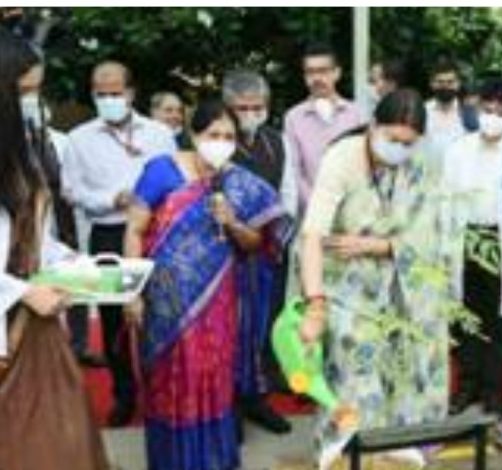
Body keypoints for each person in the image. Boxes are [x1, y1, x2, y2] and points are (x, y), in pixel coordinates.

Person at [124, 99, 291, 470]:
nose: (221, 141)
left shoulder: (238, 182)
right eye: (213, 134)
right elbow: (134, 231)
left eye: (229, 136)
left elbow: (257, 243)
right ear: (193, 134)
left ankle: (213, 461)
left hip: (217, 303)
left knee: (212, 378)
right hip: (164, 303)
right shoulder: (161, 171)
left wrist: (232, 221)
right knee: (172, 381)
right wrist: (132, 293)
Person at [299, 89, 451, 469]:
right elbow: (313, 234)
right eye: (391, 138)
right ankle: (346, 457)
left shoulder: (423, 163)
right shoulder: (342, 158)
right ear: (372, 127)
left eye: (407, 142)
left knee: (407, 372)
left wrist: (380, 246)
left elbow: (435, 235)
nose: (398, 148)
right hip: (350, 287)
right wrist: (315, 303)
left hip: (409, 291)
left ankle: (399, 455)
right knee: (354, 379)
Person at [0, 29, 108, 470]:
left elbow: (36, 242)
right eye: (24, 91)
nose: (33, 101)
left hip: (36, 331)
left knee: (56, 443)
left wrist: (77, 267)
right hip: (17, 314)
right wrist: (21, 292)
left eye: (36, 89)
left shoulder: (23, 152)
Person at [61, 61, 177, 427]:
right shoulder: (78, 138)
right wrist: (111, 199)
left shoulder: (159, 132)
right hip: (109, 235)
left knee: (159, 313)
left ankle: (162, 390)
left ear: (131, 93)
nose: (109, 99)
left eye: (115, 92)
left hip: (156, 234)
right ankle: (124, 394)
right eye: (101, 93)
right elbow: (70, 190)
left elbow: (177, 178)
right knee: (113, 322)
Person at [223, 69, 298, 434]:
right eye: (242, 107)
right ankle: (231, 405)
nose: (250, 113)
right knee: (232, 330)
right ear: (228, 108)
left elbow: (289, 196)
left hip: (269, 252)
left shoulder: (278, 142)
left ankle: (258, 398)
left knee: (267, 325)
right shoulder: (217, 141)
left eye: (257, 106)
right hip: (226, 255)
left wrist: (273, 240)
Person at [443, 76, 502, 421]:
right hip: (465, 242)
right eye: (486, 108)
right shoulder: (459, 148)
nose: (492, 115)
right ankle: (467, 387)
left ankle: (494, 393)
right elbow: (445, 201)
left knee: (501, 325)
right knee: (465, 322)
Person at [284, 42, 363, 213]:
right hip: (312, 213)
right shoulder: (293, 117)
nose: (317, 78)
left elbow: (365, 163)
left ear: (337, 73)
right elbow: (294, 170)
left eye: (323, 71)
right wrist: (318, 205)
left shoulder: (356, 114)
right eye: (310, 72)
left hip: (353, 210)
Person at [424, 58, 478, 178]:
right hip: (426, 182)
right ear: (432, 84)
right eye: (440, 82)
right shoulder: (422, 112)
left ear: (458, 84)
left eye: (450, 82)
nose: (445, 86)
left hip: (459, 183)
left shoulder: (469, 115)